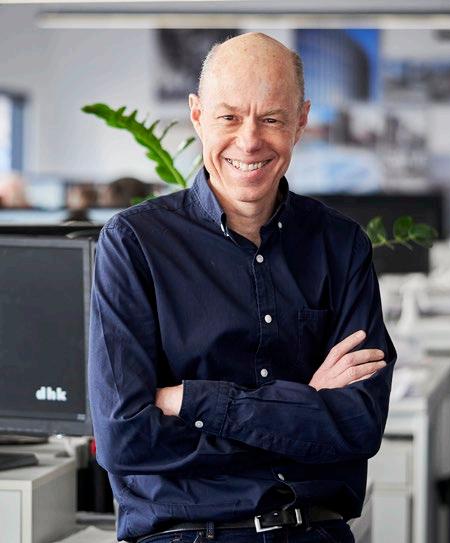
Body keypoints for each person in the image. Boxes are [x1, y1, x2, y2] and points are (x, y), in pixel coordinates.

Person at [88, 32, 396, 543]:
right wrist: (304, 406)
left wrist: (194, 402)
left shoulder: (341, 245)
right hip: (189, 535)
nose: (249, 141)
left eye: (271, 118)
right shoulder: (134, 243)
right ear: (197, 115)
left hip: (314, 532)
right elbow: (125, 439)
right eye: (229, 117)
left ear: (300, 121)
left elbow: (359, 425)